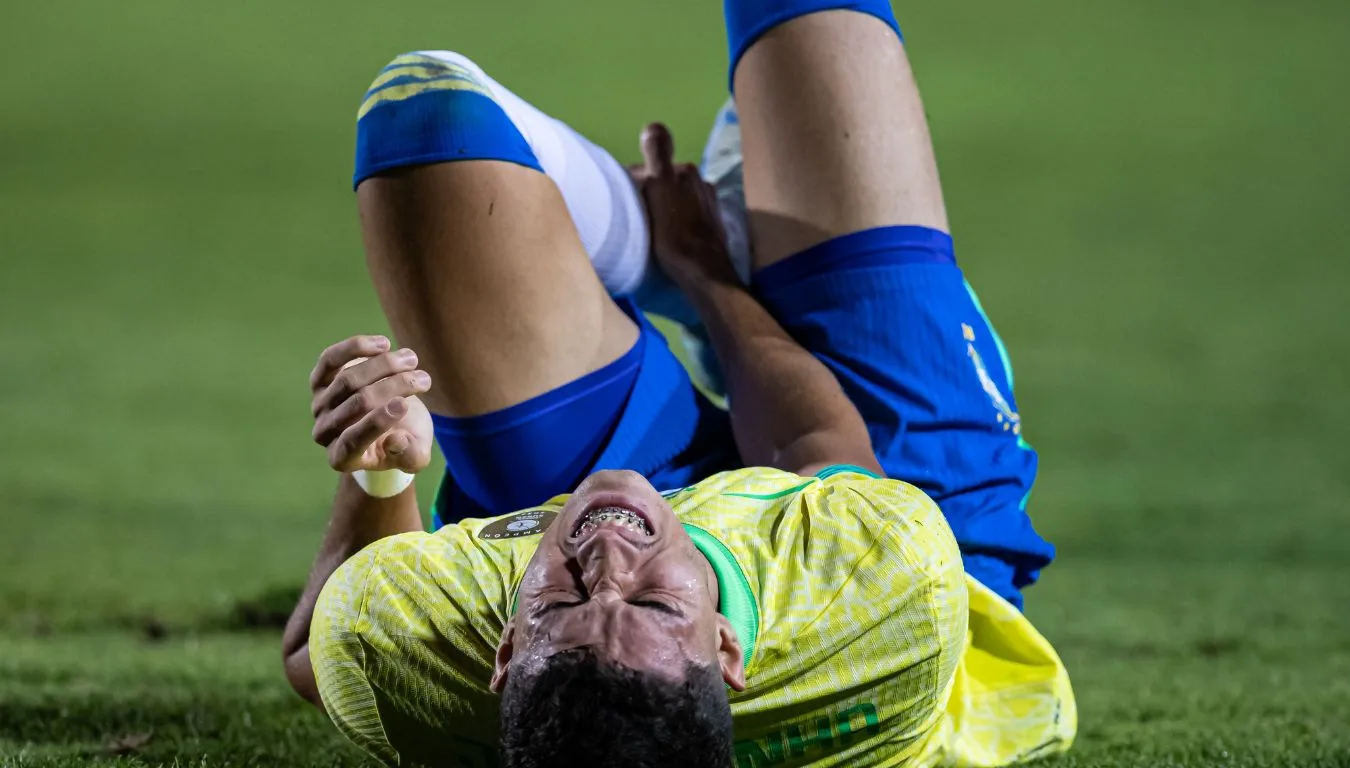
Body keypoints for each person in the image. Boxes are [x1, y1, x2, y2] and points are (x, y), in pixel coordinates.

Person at [281, 0, 1077, 765]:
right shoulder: (884, 587)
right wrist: (705, 274)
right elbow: (813, 440)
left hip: (569, 498)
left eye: (563, 600)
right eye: (652, 602)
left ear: (507, 650)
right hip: (868, 482)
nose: (610, 562)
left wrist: (381, 463)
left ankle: (650, 246)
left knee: (423, 115)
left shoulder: (488, 650)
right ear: (726, 647)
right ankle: (723, 250)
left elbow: (326, 646)